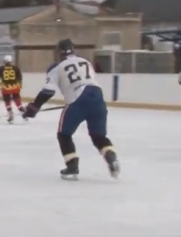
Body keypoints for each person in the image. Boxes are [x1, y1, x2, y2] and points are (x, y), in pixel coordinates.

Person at [22, 38, 120, 180]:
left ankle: (72, 166)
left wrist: (33, 107)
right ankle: (111, 157)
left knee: (64, 134)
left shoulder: (56, 67)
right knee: (98, 136)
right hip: (98, 98)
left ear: (59, 53)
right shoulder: (86, 62)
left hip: (77, 101)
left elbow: (48, 91)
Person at [0, 55, 25, 123]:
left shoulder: (1, 68)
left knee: (7, 100)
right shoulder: (16, 68)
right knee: (17, 99)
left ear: (4, 61)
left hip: (6, 88)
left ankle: (10, 113)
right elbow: (19, 77)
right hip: (15, 87)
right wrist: (20, 85)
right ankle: (22, 111)